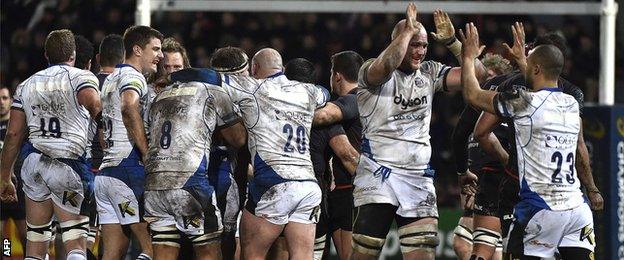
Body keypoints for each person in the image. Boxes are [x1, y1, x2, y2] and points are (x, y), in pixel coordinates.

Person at [351, 4, 485, 259]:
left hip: (417, 178)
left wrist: (453, 43)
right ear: (398, 42)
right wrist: (407, 30)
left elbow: (478, 75)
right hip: (378, 175)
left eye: (423, 45)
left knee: (423, 255)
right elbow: (389, 61)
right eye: (414, 44)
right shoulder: (371, 72)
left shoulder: (430, 73)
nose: (420, 52)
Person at [168, 47, 329, 259]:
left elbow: (208, 77)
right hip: (307, 185)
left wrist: (174, 76)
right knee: (302, 256)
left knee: (252, 253)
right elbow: (324, 94)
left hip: (275, 182)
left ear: (254, 68)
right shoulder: (307, 91)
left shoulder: (254, 87)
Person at [460, 22, 596, 259]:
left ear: (535, 70)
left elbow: (472, 95)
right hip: (577, 210)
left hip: (540, 210)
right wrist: (593, 189)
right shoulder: (571, 105)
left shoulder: (522, 102)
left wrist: (468, 58)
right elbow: (579, 148)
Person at [0, 29, 102, 260]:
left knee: (36, 242)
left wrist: (5, 175)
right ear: (73, 54)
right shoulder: (81, 77)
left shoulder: (26, 84)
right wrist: (103, 124)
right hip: (66, 164)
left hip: (34, 165)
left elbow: (14, 134)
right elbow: (94, 103)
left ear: (46, 54)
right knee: (74, 242)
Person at [143, 67, 246, 260]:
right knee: (208, 250)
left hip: (154, 183)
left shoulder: (160, 96)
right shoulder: (213, 91)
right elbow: (238, 139)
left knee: (164, 249)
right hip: (189, 182)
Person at [97, 25, 163, 260]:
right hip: (128, 168)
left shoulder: (110, 78)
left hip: (106, 175)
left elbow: (103, 130)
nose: (160, 55)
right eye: (155, 49)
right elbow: (128, 105)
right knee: (154, 250)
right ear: (137, 49)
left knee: (112, 254)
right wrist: (146, 153)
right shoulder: (133, 77)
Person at [285, 57, 360, 260]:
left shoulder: (270, 114)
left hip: (275, 189)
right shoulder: (331, 115)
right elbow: (346, 154)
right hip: (315, 192)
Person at [450, 53, 512, 260]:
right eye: (485, 79)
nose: (488, 83)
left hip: (497, 183)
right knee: (491, 251)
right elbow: (462, 143)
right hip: (477, 183)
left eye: (493, 77)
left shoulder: (505, 109)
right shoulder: (474, 109)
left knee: (462, 243)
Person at [208, 46, 251, 260]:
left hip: (223, 167)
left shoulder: (202, 89)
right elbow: (239, 138)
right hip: (224, 167)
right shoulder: (247, 93)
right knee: (225, 235)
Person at [0, 85, 27, 250]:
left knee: (27, 239)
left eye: (4, 98)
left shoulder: (21, 128)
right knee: (3, 240)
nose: (1, 102)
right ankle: (7, 255)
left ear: (11, 101)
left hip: (20, 190)